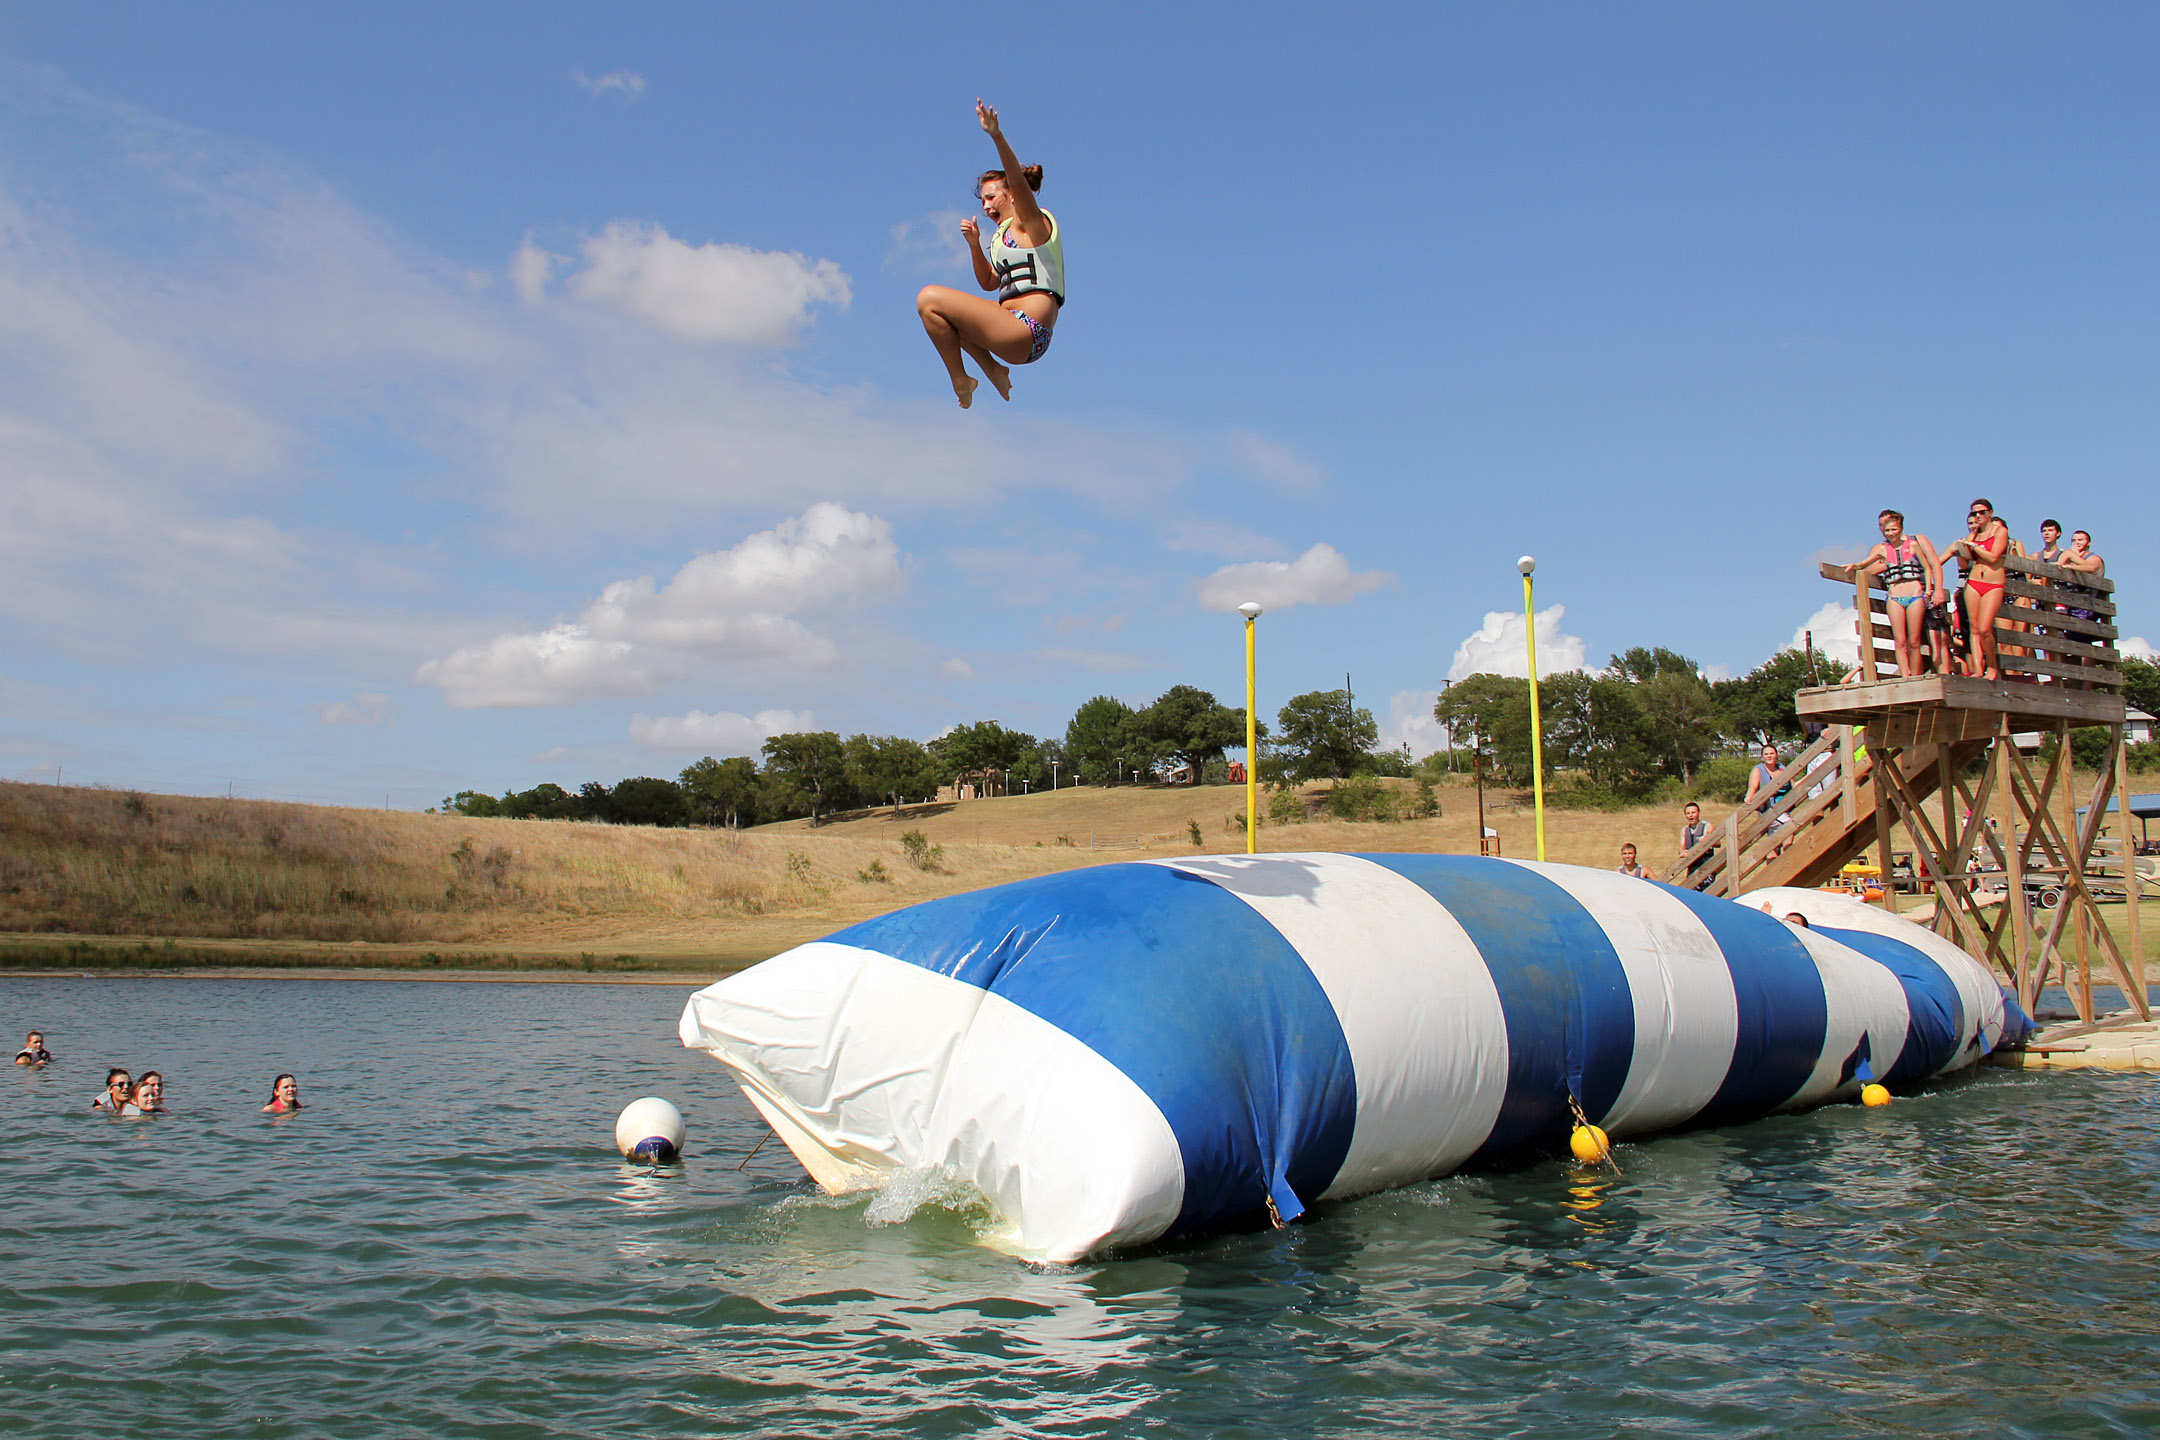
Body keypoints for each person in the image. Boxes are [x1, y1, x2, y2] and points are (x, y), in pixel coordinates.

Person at [915, 100, 1062, 409]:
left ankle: (961, 379)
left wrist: (996, 135)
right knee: (941, 317)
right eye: (982, 200)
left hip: (1027, 328)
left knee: (929, 297)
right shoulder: (1001, 237)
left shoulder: (1032, 223)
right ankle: (992, 370)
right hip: (1008, 329)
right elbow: (988, 283)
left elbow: (1019, 183)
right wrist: (974, 245)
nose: (985, 206)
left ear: (1010, 194)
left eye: (991, 197)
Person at [1861, 510, 1942, 677]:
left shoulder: (1916, 541)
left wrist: (1936, 590)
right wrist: (1887, 564)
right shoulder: (1881, 548)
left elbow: (1933, 565)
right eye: (1882, 526)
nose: (1886, 529)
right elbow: (1867, 568)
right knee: (1900, 641)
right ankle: (1906, 675)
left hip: (1919, 593)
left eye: (1890, 526)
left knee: (1926, 639)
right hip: (1896, 595)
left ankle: (1922, 674)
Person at [1945, 498, 2011, 680]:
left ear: (1990, 513)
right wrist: (1963, 546)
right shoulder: (1974, 535)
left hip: (1993, 582)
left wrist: (1975, 547)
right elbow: (1965, 563)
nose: (1978, 516)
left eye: (1982, 512)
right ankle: (1978, 668)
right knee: (1973, 628)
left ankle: (1992, 665)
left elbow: (1993, 557)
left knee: (1984, 628)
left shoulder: (2000, 531)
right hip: (1973, 581)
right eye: (1974, 513)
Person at [1745, 742, 1793, 839]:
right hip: (1770, 809)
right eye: (1766, 754)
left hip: (1784, 808)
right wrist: (1749, 797)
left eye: (1771, 753)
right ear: (1762, 757)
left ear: (1776, 755)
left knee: (1773, 840)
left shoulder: (1782, 768)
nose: (1769, 756)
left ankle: (1775, 854)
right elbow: (1752, 787)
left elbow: (1793, 784)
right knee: (1790, 828)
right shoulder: (1758, 769)